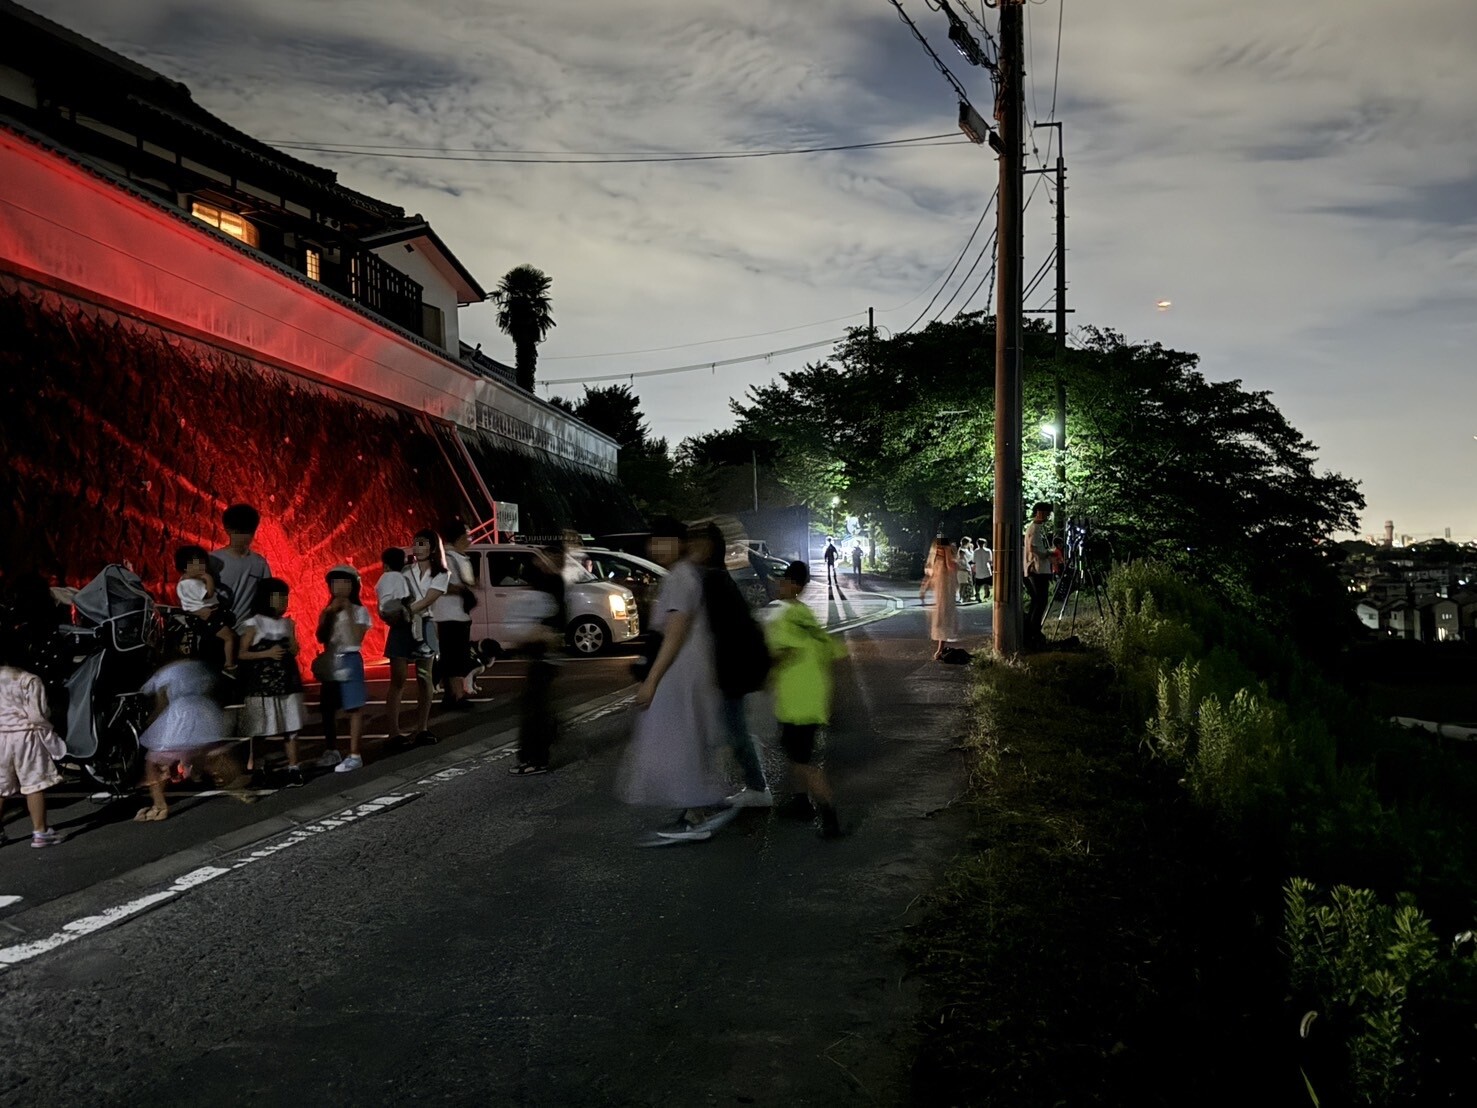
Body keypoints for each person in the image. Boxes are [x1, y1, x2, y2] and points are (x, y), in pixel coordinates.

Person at [615, 518, 729, 843]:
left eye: (664, 540)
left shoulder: (681, 578)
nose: (656, 547)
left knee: (677, 741)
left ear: (680, 543)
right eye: (654, 541)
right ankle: (695, 810)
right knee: (684, 740)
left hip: (681, 671)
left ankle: (696, 817)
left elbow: (675, 633)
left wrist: (651, 681)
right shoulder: (683, 575)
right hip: (686, 669)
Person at [765, 561, 846, 839]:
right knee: (795, 754)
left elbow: (780, 654)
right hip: (811, 699)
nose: (778, 584)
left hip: (796, 701)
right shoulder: (806, 614)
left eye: (783, 581)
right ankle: (801, 803)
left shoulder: (782, 615)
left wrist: (763, 677)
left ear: (795, 586)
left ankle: (830, 817)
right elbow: (832, 651)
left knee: (804, 762)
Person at [699, 522, 772, 808]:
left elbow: (718, 630)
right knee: (730, 727)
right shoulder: (719, 577)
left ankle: (755, 786)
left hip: (729, 671)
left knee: (731, 729)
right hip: (732, 669)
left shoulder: (714, 580)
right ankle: (751, 784)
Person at [133, 653, 248, 821]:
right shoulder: (199, 667)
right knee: (211, 753)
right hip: (205, 711)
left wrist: (153, 719)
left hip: (181, 716)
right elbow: (212, 689)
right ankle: (239, 787)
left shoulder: (166, 672)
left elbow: (162, 702)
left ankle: (160, 806)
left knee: (154, 762)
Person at [237, 577, 306, 787]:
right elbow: (242, 653)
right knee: (260, 730)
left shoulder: (287, 624)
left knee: (291, 727)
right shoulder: (254, 623)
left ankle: (294, 768)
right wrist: (266, 653)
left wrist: (292, 638)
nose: (283, 601)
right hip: (262, 685)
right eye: (279, 597)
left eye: (285, 597)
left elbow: (294, 650)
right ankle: (258, 768)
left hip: (288, 683)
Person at [509, 544, 567, 776]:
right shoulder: (548, 582)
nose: (541, 562)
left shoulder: (554, 583)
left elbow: (552, 623)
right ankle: (533, 753)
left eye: (546, 558)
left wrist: (541, 635)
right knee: (534, 706)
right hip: (541, 655)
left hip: (546, 655)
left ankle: (536, 758)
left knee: (535, 709)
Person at [0, 646, 66, 847]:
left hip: (1, 737)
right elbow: (37, 715)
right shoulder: (29, 680)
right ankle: (40, 832)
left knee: (1, 786)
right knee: (33, 784)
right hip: (25, 736)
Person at [315, 565, 372, 773]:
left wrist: (347, 611)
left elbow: (356, 638)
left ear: (354, 586)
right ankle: (331, 750)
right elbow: (321, 637)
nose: (339, 586)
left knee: (353, 708)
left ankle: (355, 755)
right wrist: (329, 614)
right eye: (335, 582)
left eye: (345, 582)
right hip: (331, 659)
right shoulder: (328, 610)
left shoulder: (360, 611)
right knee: (328, 708)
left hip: (350, 658)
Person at [376, 547, 434, 748]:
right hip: (423, 627)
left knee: (398, 682)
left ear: (385, 564)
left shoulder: (388, 578)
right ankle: (422, 729)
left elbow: (385, 608)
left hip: (401, 631)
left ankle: (394, 733)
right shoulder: (419, 574)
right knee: (425, 679)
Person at [174, 544, 239, 674]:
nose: (203, 568)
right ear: (186, 567)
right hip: (206, 617)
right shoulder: (190, 584)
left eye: (203, 564)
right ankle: (229, 665)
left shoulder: (186, 581)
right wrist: (209, 579)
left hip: (208, 615)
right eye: (198, 564)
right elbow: (208, 594)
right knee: (229, 637)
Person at [434, 520, 476, 712]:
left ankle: (451, 696)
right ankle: (457, 696)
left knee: (456, 656)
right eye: (468, 535)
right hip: (449, 616)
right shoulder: (447, 558)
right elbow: (441, 585)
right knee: (454, 657)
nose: (470, 539)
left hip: (458, 615)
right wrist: (462, 590)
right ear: (459, 537)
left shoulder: (458, 557)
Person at [211, 503, 271, 633]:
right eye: (239, 531)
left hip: (246, 636)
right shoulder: (212, 561)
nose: (244, 537)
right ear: (228, 530)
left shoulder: (260, 563)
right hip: (215, 633)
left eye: (248, 531)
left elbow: (267, 599)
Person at [919, 536, 960, 661]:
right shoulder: (936, 560)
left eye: (940, 548)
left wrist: (947, 552)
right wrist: (924, 589)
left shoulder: (951, 559)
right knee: (940, 620)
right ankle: (940, 648)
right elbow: (930, 576)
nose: (938, 551)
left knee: (943, 620)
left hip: (946, 593)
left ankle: (940, 649)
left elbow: (951, 567)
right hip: (939, 594)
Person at [1024, 502, 1054, 646]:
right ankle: (1033, 632)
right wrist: (1048, 553)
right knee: (1040, 601)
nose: (1047, 516)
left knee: (1038, 601)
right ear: (1039, 512)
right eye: (1046, 513)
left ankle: (1032, 631)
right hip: (1037, 569)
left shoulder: (1036, 528)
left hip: (1038, 569)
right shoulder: (1035, 528)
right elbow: (1033, 548)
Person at [972, 537, 993, 602]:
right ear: (984, 543)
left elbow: (974, 560)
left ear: (977, 544)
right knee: (986, 583)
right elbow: (990, 560)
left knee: (978, 584)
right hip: (986, 569)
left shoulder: (975, 551)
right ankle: (986, 595)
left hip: (979, 569)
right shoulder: (988, 551)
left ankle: (977, 595)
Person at [956, 539, 976, 605]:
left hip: (966, 568)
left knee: (966, 584)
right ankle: (964, 597)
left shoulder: (963, 549)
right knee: (964, 584)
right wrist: (971, 550)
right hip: (965, 569)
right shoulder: (963, 550)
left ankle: (966, 597)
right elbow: (970, 557)